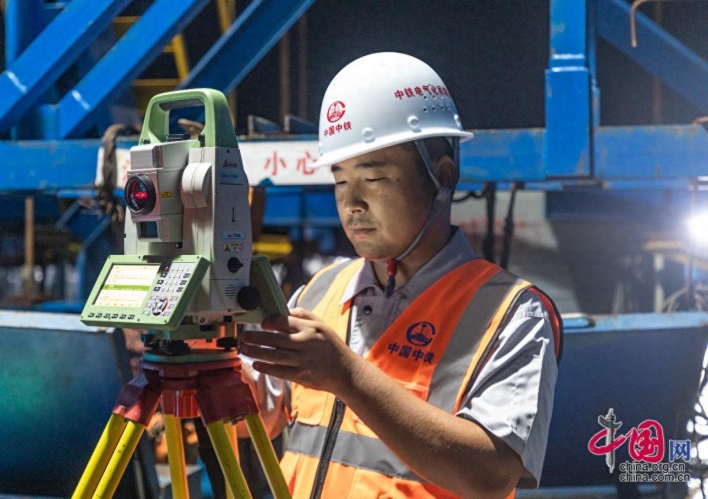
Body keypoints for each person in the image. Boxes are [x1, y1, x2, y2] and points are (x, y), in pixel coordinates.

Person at [238, 52, 562, 499]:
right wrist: (205, 343)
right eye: (340, 181)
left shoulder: (511, 313)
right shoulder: (320, 292)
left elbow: (491, 476)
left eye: (373, 179)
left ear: (442, 175)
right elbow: (261, 414)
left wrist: (347, 377)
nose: (352, 203)